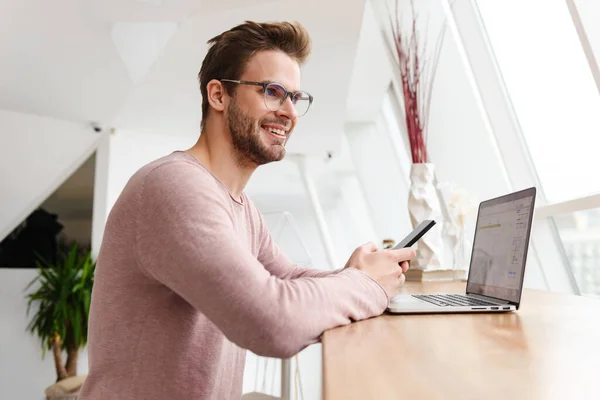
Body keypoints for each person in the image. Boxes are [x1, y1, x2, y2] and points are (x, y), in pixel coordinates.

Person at [79, 20, 415, 400]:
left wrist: (357, 272)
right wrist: (364, 285)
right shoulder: (173, 187)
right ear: (219, 96)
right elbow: (271, 323)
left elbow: (287, 278)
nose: (289, 112)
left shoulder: (240, 206)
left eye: (295, 97)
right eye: (273, 92)